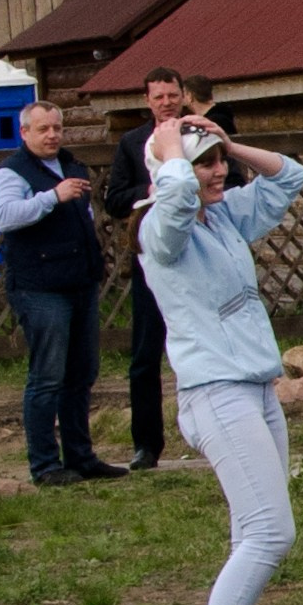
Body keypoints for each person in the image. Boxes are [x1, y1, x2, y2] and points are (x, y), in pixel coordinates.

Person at [136, 109, 303, 605]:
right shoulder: (163, 229)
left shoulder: (224, 215)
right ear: (167, 170)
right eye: (203, 162)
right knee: (272, 533)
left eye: (218, 162)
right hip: (215, 393)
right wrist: (170, 153)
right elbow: (177, 197)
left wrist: (229, 142)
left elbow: (292, 177)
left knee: (254, 532)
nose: (215, 172)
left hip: (257, 390)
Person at [0, 98, 121, 487]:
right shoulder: (11, 173)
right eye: (43, 129)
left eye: (57, 128)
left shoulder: (72, 165)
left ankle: (81, 457)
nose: (52, 135)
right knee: (47, 377)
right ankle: (45, 465)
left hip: (79, 281)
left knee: (81, 374)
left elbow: (86, 217)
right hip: (39, 287)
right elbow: (5, 217)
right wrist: (52, 197)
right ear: (24, 132)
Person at [101, 68, 190, 470]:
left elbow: (233, 180)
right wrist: (151, 192)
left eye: (172, 95)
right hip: (151, 258)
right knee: (144, 354)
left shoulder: (200, 134)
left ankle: (206, 430)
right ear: (147, 100)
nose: (166, 102)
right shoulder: (133, 143)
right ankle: (146, 445)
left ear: (184, 95)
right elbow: (115, 199)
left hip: (197, 253)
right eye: (159, 97)